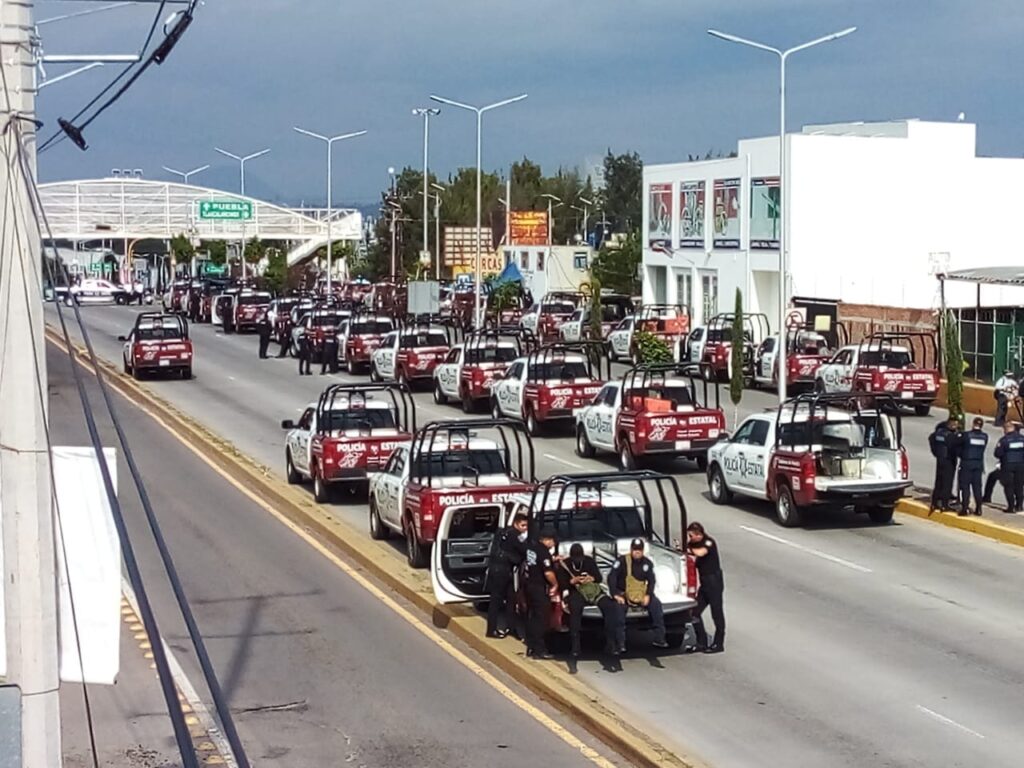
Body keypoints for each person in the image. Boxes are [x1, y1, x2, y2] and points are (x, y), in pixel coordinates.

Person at [557, 543, 621, 657]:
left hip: (593, 591)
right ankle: (575, 645)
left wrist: (591, 578)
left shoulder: (589, 561)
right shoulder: (564, 564)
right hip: (576, 592)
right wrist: (572, 581)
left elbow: (599, 578)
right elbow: (562, 584)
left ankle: (611, 642)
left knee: (609, 606)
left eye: (579, 557)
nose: (577, 560)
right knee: (575, 609)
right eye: (575, 558)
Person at [610, 538, 667, 653]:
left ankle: (659, 638)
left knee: (656, 607)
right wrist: (615, 594)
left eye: (639, 550)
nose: (637, 552)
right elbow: (612, 577)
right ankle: (620, 643)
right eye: (635, 549)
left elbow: (652, 581)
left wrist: (648, 595)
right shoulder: (621, 561)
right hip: (623, 594)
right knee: (618, 615)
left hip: (641, 594)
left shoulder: (647, 563)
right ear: (631, 549)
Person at [485, 513, 527, 639]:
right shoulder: (515, 535)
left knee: (511, 599)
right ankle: (491, 630)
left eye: (526, 526)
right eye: (523, 525)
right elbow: (524, 550)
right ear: (516, 524)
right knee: (496, 601)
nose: (525, 528)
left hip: (500, 569)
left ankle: (511, 627)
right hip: (502, 570)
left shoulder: (503, 532)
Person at [686, 522, 725, 653]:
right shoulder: (694, 544)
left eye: (691, 536)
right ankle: (701, 642)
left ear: (699, 534)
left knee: (716, 613)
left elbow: (701, 553)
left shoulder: (708, 542)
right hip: (704, 583)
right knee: (694, 612)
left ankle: (718, 643)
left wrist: (689, 549)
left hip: (714, 581)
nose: (690, 538)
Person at [522, 529, 558, 659]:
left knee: (533, 617)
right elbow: (548, 573)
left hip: (529, 585)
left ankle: (531, 646)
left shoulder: (531, 549)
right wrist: (555, 584)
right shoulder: (544, 552)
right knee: (542, 619)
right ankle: (540, 650)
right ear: (547, 540)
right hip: (539, 587)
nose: (553, 544)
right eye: (553, 541)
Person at [955, 416, 988, 516]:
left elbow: (957, 446)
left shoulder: (966, 435)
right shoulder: (984, 437)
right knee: (977, 487)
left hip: (966, 463)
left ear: (973, 424)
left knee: (964, 487)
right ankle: (979, 508)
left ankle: (965, 508)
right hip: (978, 464)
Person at [929, 417, 959, 511]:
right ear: (949, 424)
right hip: (949, 460)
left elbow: (931, 440)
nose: (955, 426)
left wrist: (936, 453)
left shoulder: (938, 433)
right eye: (954, 424)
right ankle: (944, 505)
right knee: (947, 483)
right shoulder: (951, 436)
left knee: (938, 482)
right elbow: (955, 448)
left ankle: (934, 503)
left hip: (940, 459)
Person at [994, 421, 1024, 513]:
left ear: (1006, 428)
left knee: (1008, 486)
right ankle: (1019, 505)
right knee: (1019, 486)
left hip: (1008, 465)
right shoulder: (1022, 439)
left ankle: (1011, 507)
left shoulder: (1004, 440)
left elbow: (997, 453)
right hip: (1020, 465)